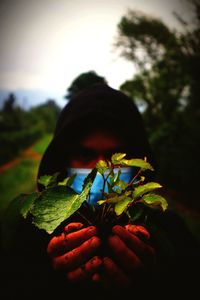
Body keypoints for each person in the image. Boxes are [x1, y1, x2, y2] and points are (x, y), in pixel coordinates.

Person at [1, 83, 200, 299]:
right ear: (62, 160)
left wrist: (155, 280)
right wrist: (49, 277)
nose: (100, 170)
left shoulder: (168, 233)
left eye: (118, 157)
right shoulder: (34, 233)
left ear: (138, 161)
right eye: (85, 155)